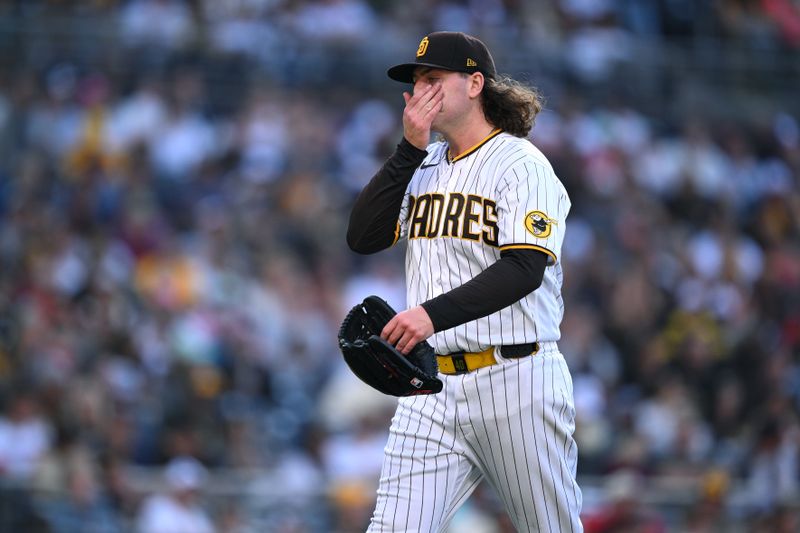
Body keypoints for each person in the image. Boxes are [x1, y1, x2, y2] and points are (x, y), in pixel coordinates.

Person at [347, 31, 582, 531]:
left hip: (516, 379)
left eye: (434, 79)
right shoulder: (425, 164)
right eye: (415, 83)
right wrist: (408, 150)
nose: (420, 92)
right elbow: (363, 237)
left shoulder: (522, 165)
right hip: (430, 389)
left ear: (475, 83)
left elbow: (523, 269)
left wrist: (428, 315)